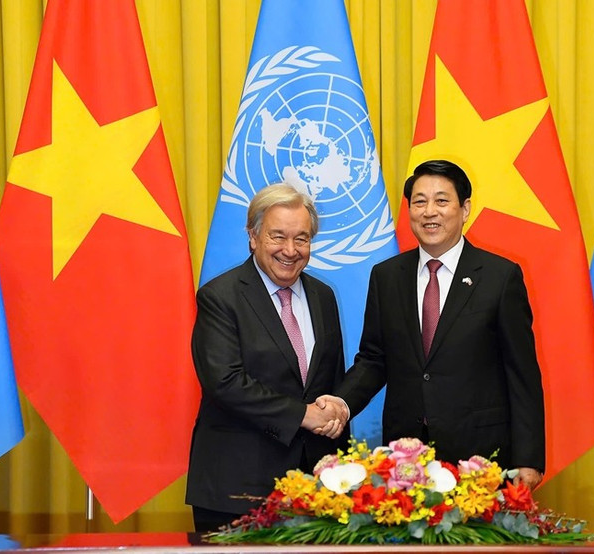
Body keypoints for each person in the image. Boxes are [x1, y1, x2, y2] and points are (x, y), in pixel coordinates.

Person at [319, 159, 545, 489]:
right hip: (405, 458)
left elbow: (521, 372)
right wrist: (341, 403)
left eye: (441, 201)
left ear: (465, 209)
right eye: (420, 201)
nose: (429, 212)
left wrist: (529, 458)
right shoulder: (387, 277)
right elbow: (374, 359)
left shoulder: (499, 277)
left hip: (480, 456)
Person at [186, 184, 348, 532]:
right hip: (238, 489)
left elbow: (330, 381)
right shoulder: (220, 297)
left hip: (316, 490)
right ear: (253, 236)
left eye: (302, 239)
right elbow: (225, 384)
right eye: (278, 236)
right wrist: (302, 415)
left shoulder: (323, 296)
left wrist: (336, 416)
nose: (290, 250)